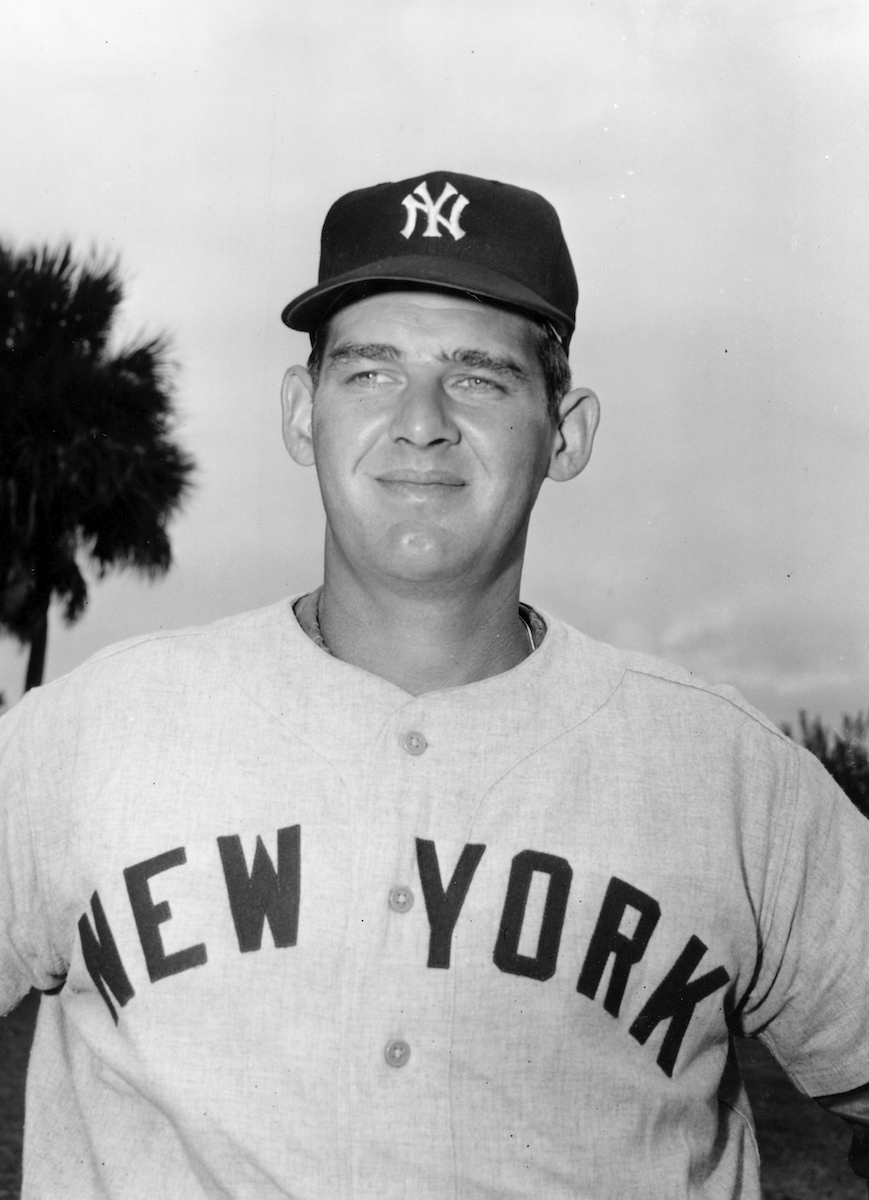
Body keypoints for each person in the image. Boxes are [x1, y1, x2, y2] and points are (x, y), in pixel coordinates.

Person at [1, 169, 867, 1199]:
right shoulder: (89, 736)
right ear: (299, 411)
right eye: (369, 371)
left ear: (567, 431)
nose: (420, 421)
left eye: (479, 378)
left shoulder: (731, 782)